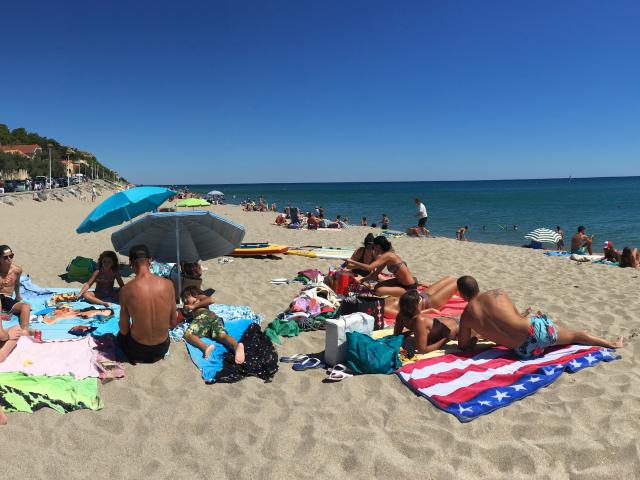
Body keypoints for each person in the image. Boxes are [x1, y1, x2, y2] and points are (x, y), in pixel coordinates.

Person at [455, 276, 623, 358]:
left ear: (462, 294)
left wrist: (475, 339)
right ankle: (612, 344)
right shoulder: (497, 293)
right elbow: (515, 317)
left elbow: (462, 346)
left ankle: (568, 336)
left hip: (524, 351)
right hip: (536, 332)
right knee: (574, 335)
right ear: (477, 285)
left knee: (569, 336)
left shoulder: (466, 316)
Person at [118, 245, 177, 363]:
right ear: (150, 260)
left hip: (137, 349)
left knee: (120, 336)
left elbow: (124, 330)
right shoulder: (168, 284)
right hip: (162, 348)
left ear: (131, 263)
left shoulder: (126, 290)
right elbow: (173, 323)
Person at [180, 286, 245, 363]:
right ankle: (236, 346)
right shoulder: (191, 306)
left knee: (188, 335)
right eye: (183, 299)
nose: (185, 300)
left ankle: (205, 347)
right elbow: (185, 314)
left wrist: (194, 306)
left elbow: (211, 300)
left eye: (186, 297)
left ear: (194, 294)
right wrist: (186, 310)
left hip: (204, 316)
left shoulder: (198, 298)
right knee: (221, 335)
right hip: (214, 318)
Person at [345, 236, 417, 297]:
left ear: (378, 246)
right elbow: (375, 274)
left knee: (379, 291)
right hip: (399, 281)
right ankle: (397, 290)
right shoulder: (386, 256)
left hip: (409, 287)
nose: (373, 249)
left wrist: (352, 261)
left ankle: (406, 293)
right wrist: (362, 280)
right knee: (376, 287)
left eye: (373, 247)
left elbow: (369, 267)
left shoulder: (388, 255)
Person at [394, 289, 459, 354]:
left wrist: (446, 338)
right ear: (418, 306)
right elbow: (422, 350)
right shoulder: (419, 320)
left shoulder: (402, 315)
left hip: (456, 327)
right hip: (448, 324)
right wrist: (445, 339)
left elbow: (396, 335)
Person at [385, 276, 459, 317]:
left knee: (451, 278)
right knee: (457, 282)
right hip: (429, 304)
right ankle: (470, 297)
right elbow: (408, 316)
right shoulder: (385, 309)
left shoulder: (380, 301)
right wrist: (430, 310)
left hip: (422, 295)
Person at [0, 245, 31, 333]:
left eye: (11, 256)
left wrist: (18, 296)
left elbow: (17, 284)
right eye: (5, 257)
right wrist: (2, 285)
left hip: (7, 299)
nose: (9, 259)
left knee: (26, 306)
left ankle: (24, 330)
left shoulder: (17, 270)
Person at [42, 306, 115, 324]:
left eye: (103, 312)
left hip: (76, 315)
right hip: (77, 313)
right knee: (66, 311)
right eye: (103, 310)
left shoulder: (94, 316)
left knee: (66, 314)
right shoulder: (93, 309)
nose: (102, 311)